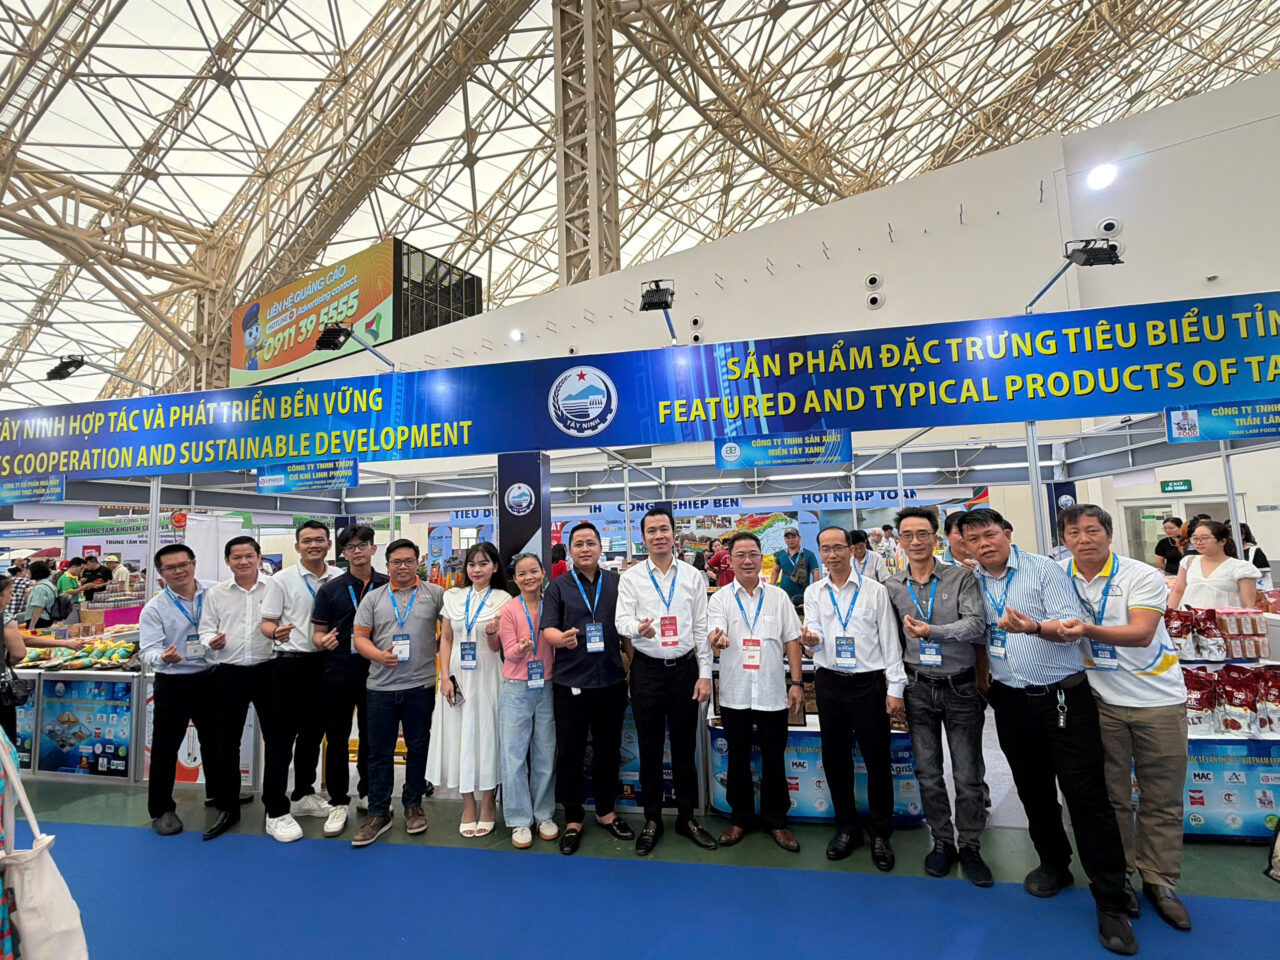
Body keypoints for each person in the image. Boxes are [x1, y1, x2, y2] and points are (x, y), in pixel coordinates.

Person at [960, 507, 1137, 955]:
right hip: (1011, 702)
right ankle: (1054, 863)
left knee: (1086, 797)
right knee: (1033, 791)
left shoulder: (1043, 570)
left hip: (1062, 699)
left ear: (1007, 533)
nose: (984, 544)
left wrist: (1034, 627)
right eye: (974, 539)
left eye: (990, 534)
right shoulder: (973, 580)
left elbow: (1072, 630)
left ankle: (1111, 899)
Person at [1056, 505, 1191, 931]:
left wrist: (1086, 630)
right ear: (1064, 539)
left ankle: (1161, 880)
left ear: (1109, 535)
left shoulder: (1140, 575)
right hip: (1100, 703)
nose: (1084, 539)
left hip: (1159, 701)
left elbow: (1142, 633)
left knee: (1161, 796)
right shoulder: (1058, 576)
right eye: (1074, 532)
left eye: (1092, 530)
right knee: (1111, 798)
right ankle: (1122, 877)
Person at [881, 506, 991, 886]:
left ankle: (971, 845)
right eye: (908, 535)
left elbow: (976, 624)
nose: (915, 541)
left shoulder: (962, 578)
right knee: (927, 773)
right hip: (918, 688)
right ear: (899, 541)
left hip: (960, 687)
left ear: (935, 538)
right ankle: (942, 840)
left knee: (967, 774)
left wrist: (934, 632)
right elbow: (890, 640)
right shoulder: (892, 587)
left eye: (923, 534)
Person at [801, 526, 904, 871]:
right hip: (829, 683)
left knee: (877, 759)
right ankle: (847, 827)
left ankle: (881, 832)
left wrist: (895, 688)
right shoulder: (814, 592)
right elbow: (814, 636)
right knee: (835, 758)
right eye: (825, 549)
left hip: (868, 684)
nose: (832, 555)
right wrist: (810, 641)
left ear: (851, 550)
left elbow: (890, 641)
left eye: (838, 548)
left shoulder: (875, 591)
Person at [616, 506, 717, 854]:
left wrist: (705, 674)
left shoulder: (692, 576)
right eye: (652, 530)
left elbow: (701, 628)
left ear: (674, 534)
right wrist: (637, 628)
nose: (659, 535)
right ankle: (652, 819)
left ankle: (687, 818)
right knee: (649, 747)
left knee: (685, 748)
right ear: (643, 537)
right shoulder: (631, 578)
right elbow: (620, 621)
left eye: (664, 529)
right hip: (647, 671)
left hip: (685, 671)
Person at [709, 532, 804, 851]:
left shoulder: (778, 597)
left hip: (772, 691)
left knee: (774, 757)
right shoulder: (721, 598)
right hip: (735, 691)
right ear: (730, 560)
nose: (747, 560)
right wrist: (717, 638)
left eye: (753, 554)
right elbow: (715, 629)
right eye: (740, 555)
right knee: (737, 757)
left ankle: (776, 821)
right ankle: (740, 818)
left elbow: (792, 640)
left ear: (761, 558)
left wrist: (796, 683)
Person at [541, 521, 632, 855]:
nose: (585, 549)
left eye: (590, 543)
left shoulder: (617, 583)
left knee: (608, 750)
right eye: (578, 544)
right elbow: (548, 629)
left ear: (600, 548)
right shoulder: (558, 587)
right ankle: (574, 817)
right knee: (570, 752)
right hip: (570, 682)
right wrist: (560, 639)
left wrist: (634, 666)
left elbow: (626, 631)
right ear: (570, 550)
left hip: (610, 680)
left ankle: (607, 812)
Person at [350, 539, 444, 847]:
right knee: (379, 752)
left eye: (409, 561)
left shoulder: (435, 594)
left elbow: (452, 631)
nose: (403, 567)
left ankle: (413, 805)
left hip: (421, 685)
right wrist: (378, 656)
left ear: (418, 563)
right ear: (387, 565)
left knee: (418, 747)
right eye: (397, 562)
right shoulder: (373, 598)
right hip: (380, 687)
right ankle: (378, 812)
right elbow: (360, 638)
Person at [258, 520, 344, 843]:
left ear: (328, 544)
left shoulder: (339, 577)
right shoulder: (281, 580)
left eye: (319, 540)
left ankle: (304, 793)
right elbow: (266, 623)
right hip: (290, 664)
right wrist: (275, 633)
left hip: (326, 664)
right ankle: (275, 810)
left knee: (313, 734)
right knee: (281, 739)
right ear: (297, 547)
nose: (313, 545)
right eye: (307, 540)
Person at [310, 524, 387, 838]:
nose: (357, 551)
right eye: (351, 547)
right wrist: (322, 641)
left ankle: (368, 793)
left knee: (372, 735)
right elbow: (317, 633)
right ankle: (338, 800)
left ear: (373, 548)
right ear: (343, 553)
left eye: (363, 545)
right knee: (337, 737)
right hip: (338, 671)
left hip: (378, 672)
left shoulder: (388, 585)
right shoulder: (330, 590)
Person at [428, 542, 508, 837]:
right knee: (459, 736)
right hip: (457, 677)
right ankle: (467, 805)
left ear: (495, 567)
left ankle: (488, 803)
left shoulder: (503, 599)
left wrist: (493, 634)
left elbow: (498, 647)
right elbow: (446, 638)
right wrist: (444, 677)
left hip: (488, 676)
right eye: (472, 564)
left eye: (484, 563)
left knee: (487, 736)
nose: (477, 569)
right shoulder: (453, 596)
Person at [138, 544, 217, 837]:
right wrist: (163, 657)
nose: (179, 571)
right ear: (161, 573)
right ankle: (161, 809)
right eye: (170, 568)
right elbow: (147, 651)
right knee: (165, 748)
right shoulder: (154, 608)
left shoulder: (215, 592)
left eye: (184, 564)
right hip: (174, 681)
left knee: (216, 741)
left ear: (194, 564)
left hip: (211, 677)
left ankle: (218, 792)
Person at [199, 536, 274, 841]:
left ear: (259, 558)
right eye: (236, 557)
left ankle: (275, 806)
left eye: (249, 556)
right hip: (228, 673)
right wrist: (210, 641)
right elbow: (205, 628)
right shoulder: (216, 594)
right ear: (227, 561)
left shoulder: (275, 588)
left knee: (276, 740)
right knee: (226, 742)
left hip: (269, 670)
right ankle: (228, 806)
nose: (243, 562)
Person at [496, 553, 558, 849]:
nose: (528, 577)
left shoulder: (552, 604)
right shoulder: (509, 609)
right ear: (515, 578)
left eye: (534, 571)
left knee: (546, 752)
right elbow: (508, 653)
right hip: (516, 688)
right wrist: (521, 648)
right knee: (514, 755)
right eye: (522, 573)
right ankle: (520, 819)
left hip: (547, 685)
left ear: (543, 573)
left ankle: (544, 814)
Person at [1168, 519, 1260, 610]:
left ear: (1222, 541)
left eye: (1204, 538)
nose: (1198, 542)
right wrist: (1169, 613)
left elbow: (1248, 606)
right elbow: (1178, 591)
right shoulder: (1188, 561)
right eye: (1195, 539)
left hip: (1224, 618)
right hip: (1191, 618)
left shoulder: (1241, 567)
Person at [0, 578, 27, 743]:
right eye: (9, 594)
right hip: (1, 692)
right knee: (5, 743)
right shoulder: (4, 618)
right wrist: (6, 664)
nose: (11, 599)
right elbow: (18, 653)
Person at [771, 526, 817, 616]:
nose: (791, 540)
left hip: (803, 597)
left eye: (793, 537)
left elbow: (815, 572)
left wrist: (815, 591)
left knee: (802, 621)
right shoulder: (781, 554)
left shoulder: (809, 554)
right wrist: (772, 588)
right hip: (785, 597)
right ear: (785, 540)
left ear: (799, 538)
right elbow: (775, 571)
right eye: (788, 538)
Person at [24, 561, 61, 629]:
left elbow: (39, 608)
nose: (27, 573)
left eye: (29, 571)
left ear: (35, 572)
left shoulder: (40, 588)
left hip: (39, 620)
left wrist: (32, 625)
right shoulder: (49, 584)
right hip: (47, 618)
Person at [1240, 523, 1272, 590]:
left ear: (1242, 536)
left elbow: (1263, 573)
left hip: (1255, 590)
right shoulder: (1230, 552)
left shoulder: (1254, 551)